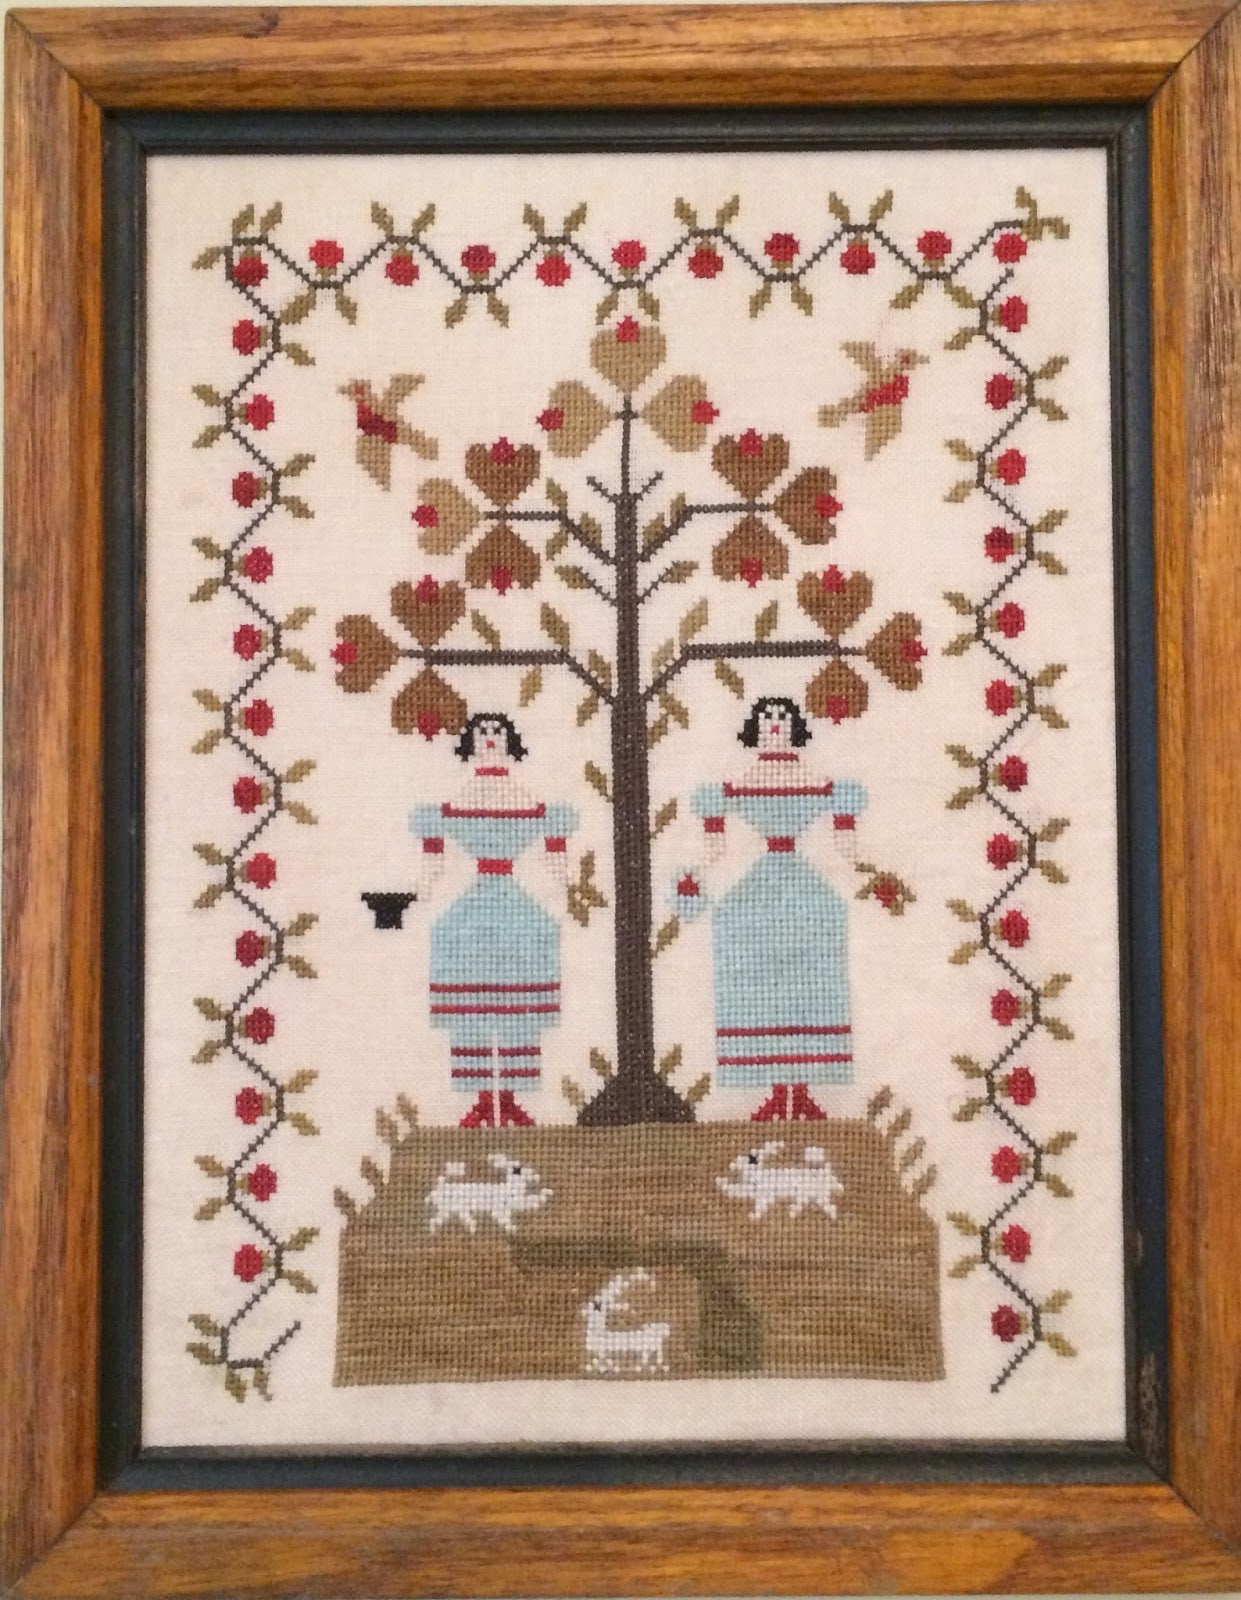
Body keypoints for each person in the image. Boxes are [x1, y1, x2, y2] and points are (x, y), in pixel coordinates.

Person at [690, 696, 865, 1121]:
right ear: (754, 727)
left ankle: (802, 1091)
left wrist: (865, 869)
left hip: (806, 889)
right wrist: (697, 871)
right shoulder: (745, 780)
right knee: (759, 987)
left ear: (795, 727)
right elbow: (715, 839)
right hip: (757, 892)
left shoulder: (811, 778)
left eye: (783, 718)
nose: (774, 725)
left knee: (812, 985)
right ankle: (774, 1090)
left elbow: (845, 833)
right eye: (766, 718)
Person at [412, 713, 578, 1128]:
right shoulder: (467, 795)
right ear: (470, 742)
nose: (489, 739)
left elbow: (554, 843)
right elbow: (434, 841)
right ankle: (483, 1099)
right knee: (471, 1010)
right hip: (475, 906)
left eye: (497, 733)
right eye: (482, 732)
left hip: (515, 907)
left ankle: (510, 1098)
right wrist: (425, 885)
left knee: (519, 1009)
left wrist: (565, 883)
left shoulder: (519, 796)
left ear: (510, 741)